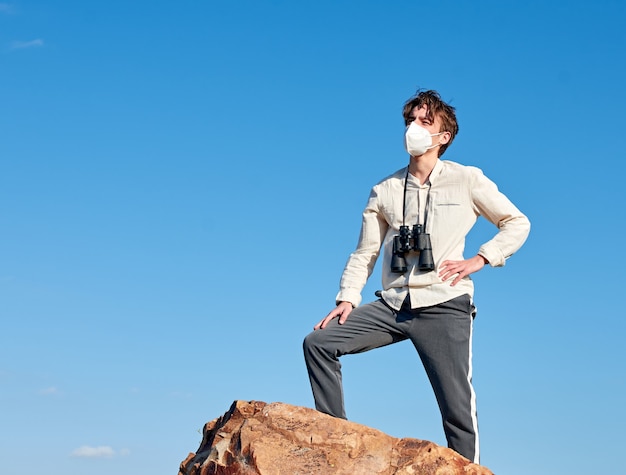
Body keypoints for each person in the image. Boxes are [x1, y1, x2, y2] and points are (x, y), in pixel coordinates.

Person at [302, 89, 530, 464]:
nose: (414, 128)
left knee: (457, 408)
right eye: (411, 120)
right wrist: (347, 298)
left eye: (426, 122)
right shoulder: (385, 189)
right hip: (392, 305)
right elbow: (366, 251)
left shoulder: (467, 179)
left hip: (444, 304)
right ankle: (336, 445)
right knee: (318, 343)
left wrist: (482, 258)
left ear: (444, 137)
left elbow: (517, 223)